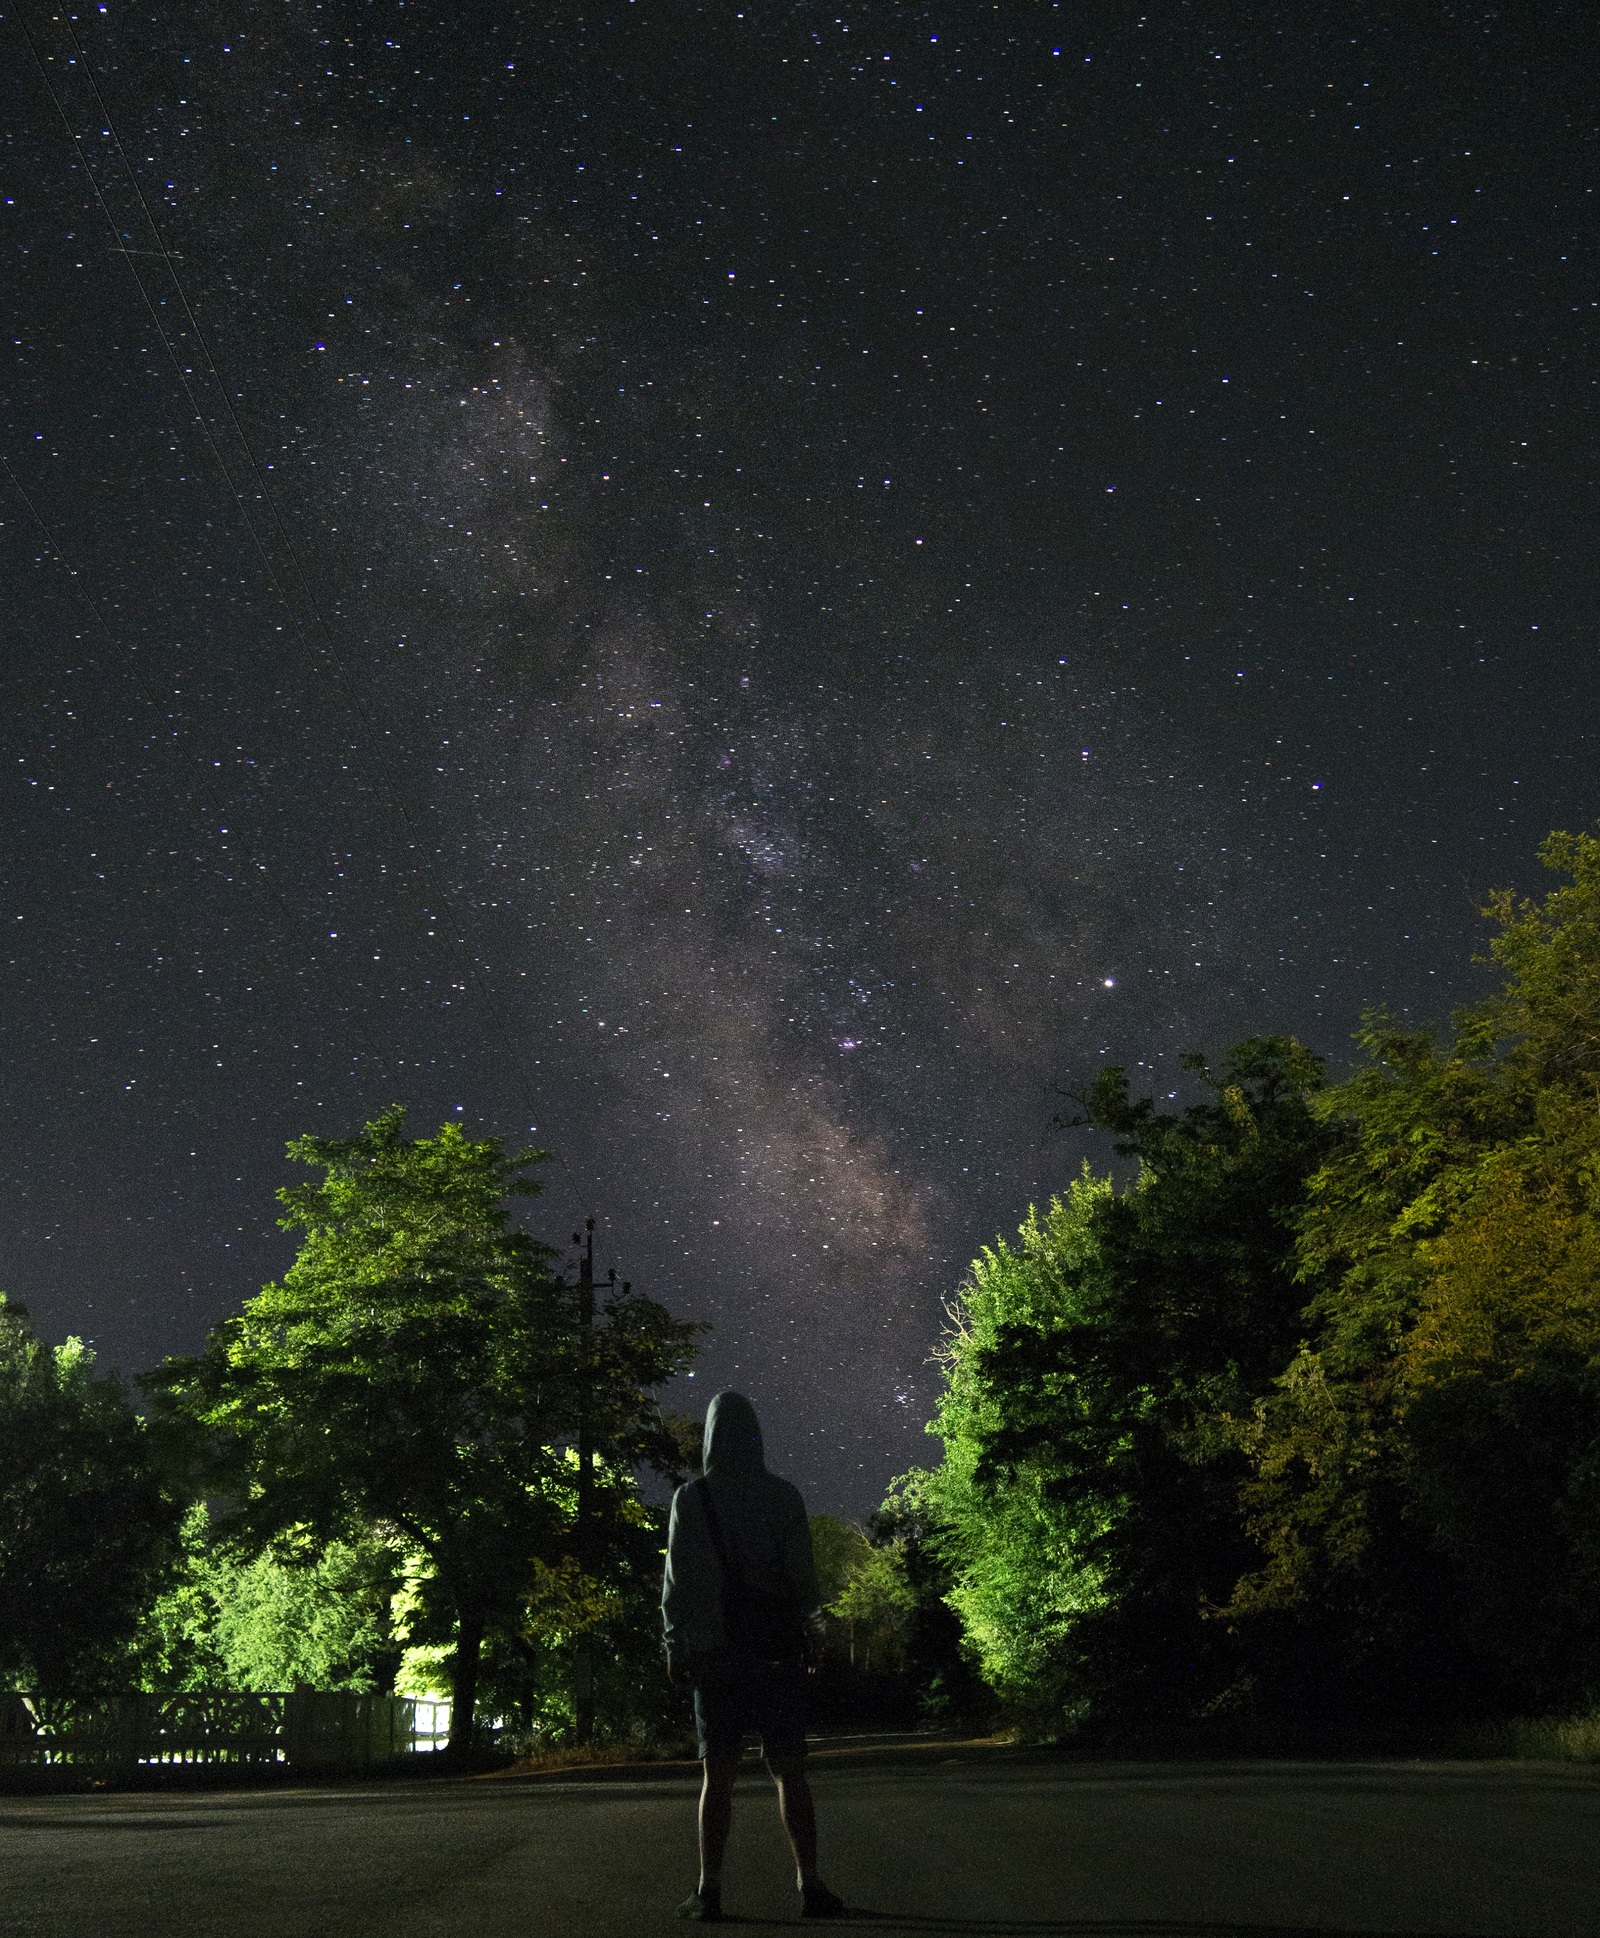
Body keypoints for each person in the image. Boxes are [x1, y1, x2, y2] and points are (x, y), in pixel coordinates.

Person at [662, 1389, 847, 1922]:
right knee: (790, 1771)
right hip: (776, 1654)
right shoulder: (784, 1496)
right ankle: (810, 1885)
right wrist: (815, 1636)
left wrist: (677, 1646)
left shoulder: (692, 1499)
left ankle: (709, 1890)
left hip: (716, 1656)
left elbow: (679, 1583)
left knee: (716, 1776)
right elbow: (804, 1579)